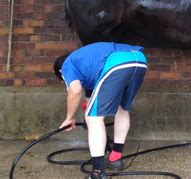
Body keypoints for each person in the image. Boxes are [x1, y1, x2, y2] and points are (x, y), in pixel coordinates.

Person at [54, 42, 147, 179]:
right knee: (121, 109)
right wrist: (87, 110)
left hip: (117, 63)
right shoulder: (88, 64)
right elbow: (90, 98)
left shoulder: (67, 65)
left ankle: (98, 173)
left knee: (93, 118)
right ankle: (115, 158)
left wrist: (69, 118)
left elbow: (75, 90)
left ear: (61, 72)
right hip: (139, 60)